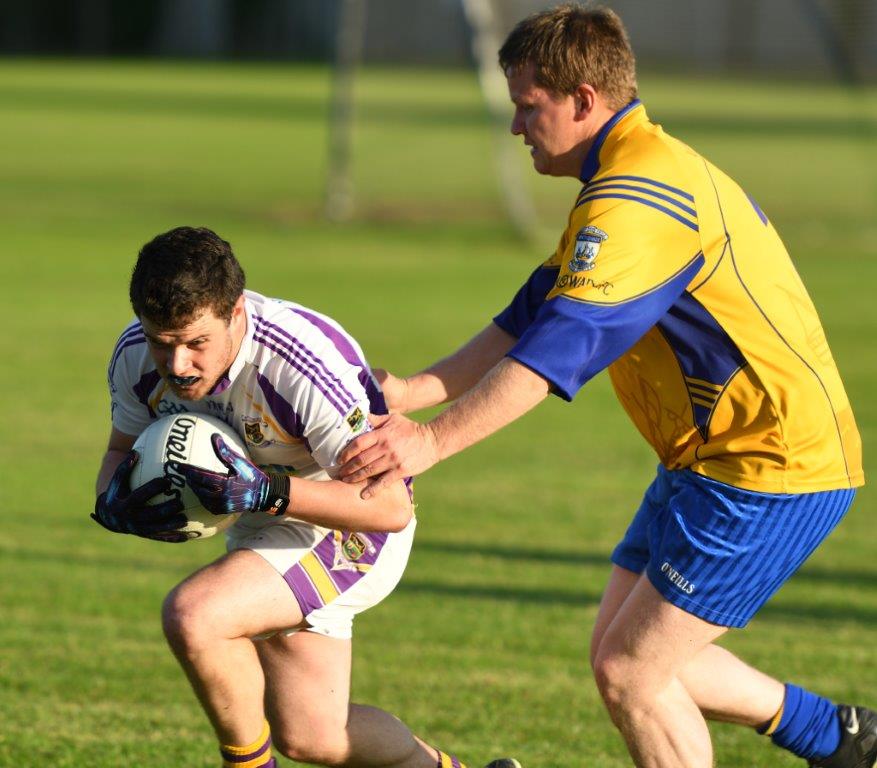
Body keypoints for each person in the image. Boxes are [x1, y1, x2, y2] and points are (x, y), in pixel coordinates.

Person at [337, 5, 871, 768]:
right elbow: (534, 312)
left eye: (530, 106)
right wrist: (411, 391)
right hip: (708, 459)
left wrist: (429, 443)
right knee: (630, 653)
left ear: (584, 99)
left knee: (633, 671)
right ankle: (843, 741)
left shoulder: (638, 197)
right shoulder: (621, 175)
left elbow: (562, 345)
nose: (517, 126)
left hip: (770, 467)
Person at [92, 226, 519, 768]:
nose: (177, 365)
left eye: (196, 343)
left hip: (349, 525)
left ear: (235, 311)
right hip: (266, 517)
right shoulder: (135, 355)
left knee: (195, 616)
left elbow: (389, 508)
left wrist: (267, 492)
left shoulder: (299, 362)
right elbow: (117, 452)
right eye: (162, 342)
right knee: (314, 735)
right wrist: (112, 502)